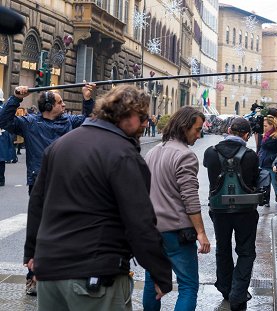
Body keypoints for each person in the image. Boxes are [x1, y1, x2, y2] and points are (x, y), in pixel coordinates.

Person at [23, 85, 172, 310]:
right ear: (122, 114)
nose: (145, 123)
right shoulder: (123, 153)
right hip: (95, 274)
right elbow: (140, 221)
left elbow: (37, 203)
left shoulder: (60, 145)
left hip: (51, 271)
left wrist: (32, 253)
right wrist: (160, 272)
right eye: (141, 117)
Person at [0, 84, 96, 296]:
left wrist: (88, 99)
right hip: (40, 184)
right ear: (49, 106)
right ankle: (33, 277)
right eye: (60, 102)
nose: (63, 105)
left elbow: (92, 120)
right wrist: (15, 98)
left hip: (69, 183)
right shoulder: (30, 123)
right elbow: (3, 120)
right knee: (38, 231)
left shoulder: (69, 122)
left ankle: (63, 273)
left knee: (70, 228)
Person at [143, 106, 211, 311]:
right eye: (197, 130)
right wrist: (201, 232)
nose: (199, 135)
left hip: (153, 229)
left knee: (152, 283)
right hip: (177, 231)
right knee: (188, 285)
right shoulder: (185, 155)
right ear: (184, 127)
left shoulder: (154, 152)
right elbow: (189, 198)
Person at [203, 117, 259, 311]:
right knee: (246, 251)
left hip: (219, 210)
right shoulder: (250, 155)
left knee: (223, 248)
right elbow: (254, 181)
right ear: (246, 135)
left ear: (228, 130)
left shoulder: (211, 152)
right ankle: (238, 293)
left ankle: (226, 288)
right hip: (245, 211)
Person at [258, 115, 277, 219]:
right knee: (264, 186)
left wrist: (271, 159)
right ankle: (265, 202)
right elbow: (262, 148)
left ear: (272, 125)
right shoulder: (266, 135)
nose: (264, 127)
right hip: (264, 164)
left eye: (266, 125)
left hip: (271, 166)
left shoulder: (276, 136)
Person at [0, 90, 16, 186]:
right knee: (1, 159)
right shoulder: (4, 107)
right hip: (4, 135)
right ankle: (1, 179)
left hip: (2, 134)